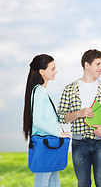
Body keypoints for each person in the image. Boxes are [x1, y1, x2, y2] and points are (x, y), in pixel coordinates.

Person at [57, 49, 101, 187]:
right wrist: (78, 113)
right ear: (87, 65)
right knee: (83, 183)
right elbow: (61, 117)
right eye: (98, 64)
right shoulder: (70, 89)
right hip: (79, 143)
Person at [23, 54, 71, 187]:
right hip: (46, 145)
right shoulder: (40, 92)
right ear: (42, 72)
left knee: (54, 183)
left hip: (48, 145)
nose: (56, 71)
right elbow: (38, 121)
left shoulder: (41, 91)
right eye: (53, 68)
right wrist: (59, 134)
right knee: (42, 183)